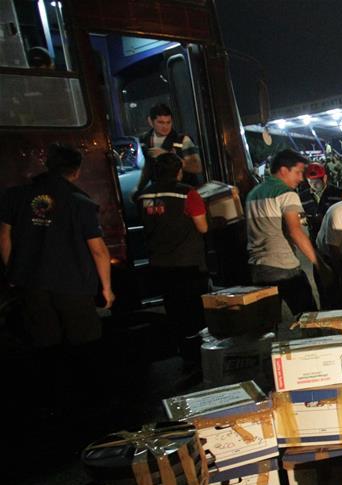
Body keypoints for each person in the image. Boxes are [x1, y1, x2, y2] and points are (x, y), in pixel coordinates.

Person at [0, 145, 114, 411]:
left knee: (45, 342)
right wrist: (106, 288)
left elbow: (4, 236)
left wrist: (14, 270)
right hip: (72, 284)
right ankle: (89, 400)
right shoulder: (79, 202)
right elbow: (97, 250)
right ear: (75, 172)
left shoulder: (16, 195)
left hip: (32, 282)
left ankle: (52, 399)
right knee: (84, 342)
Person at [134, 153, 209, 365]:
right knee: (194, 314)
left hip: (160, 264)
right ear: (179, 171)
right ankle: (198, 360)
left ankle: (183, 354)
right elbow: (202, 226)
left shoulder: (142, 196)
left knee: (174, 311)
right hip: (189, 264)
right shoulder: (187, 193)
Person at [245, 149, 327, 316]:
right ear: (283, 170)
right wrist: (319, 264)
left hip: (259, 268)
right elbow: (295, 232)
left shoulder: (253, 194)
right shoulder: (286, 194)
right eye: (297, 172)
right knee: (308, 319)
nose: (301, 178)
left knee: (268, 323)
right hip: (284, 268)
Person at [136, 103, 202, 192]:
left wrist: (168, 155)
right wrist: (139, 189)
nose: (165, 126)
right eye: (160, 122)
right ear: (150, 122)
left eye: (168, 122)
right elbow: (148, 167)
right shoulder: (145, 140)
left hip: (184, 190)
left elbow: (197, 167)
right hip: (160, 191)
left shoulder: (182, 139)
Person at [298, 162, 342, 241]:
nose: (313, 185)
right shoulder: (303, 197)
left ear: (324, 178)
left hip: (336, 238)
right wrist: (306, 220)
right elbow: (299, 217)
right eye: (310, 182)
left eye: (317, 182)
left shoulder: (338, 193)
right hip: (315, 239)